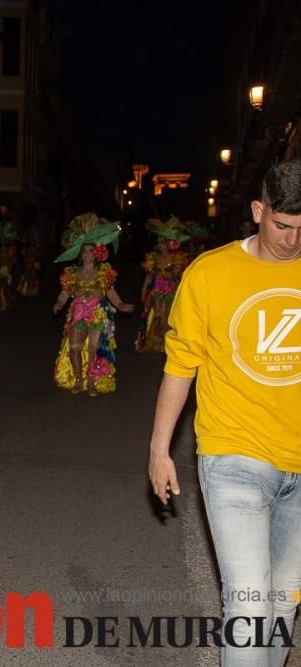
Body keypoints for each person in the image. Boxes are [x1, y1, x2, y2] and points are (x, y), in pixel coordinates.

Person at [149, 161, 301, 666]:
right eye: (282, 225)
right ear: (259, 211)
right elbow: (181, 366)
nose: (291, 239)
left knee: (283, 602)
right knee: (248, 603)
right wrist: (159, 449)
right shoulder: (210, 273)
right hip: (234, 455)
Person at [52, 213, 134, 396]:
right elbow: (66, 292)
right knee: (74, 347)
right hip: (78, 312)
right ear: (80, 254)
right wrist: (59, 303)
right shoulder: (73, 273)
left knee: (93, 347)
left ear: (96, 253)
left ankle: (90, 381)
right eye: (84, 251)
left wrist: (120, 305)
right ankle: (78, 380)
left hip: (97, 312)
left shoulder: (103, 272)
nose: (87, 254)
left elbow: (110, 291)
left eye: (90, 250)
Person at [135, 216, 190, 353]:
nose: (159, 245)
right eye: (158, 242)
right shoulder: (153, 257)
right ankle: (154, 340)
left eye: (162, 242)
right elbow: (149, 275)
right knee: (158, 314)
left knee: (168, 316)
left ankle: (166, 343)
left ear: (169, 243)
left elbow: (180, 276)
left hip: (171, 290)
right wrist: (143, 290)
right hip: (156, 290)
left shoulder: (177, 258)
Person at [0, 221, 19, 312]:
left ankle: (5, 302)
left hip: (7, 272)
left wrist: (8, 266)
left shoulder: (10, 252)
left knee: (6, 287)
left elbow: (12, 262)